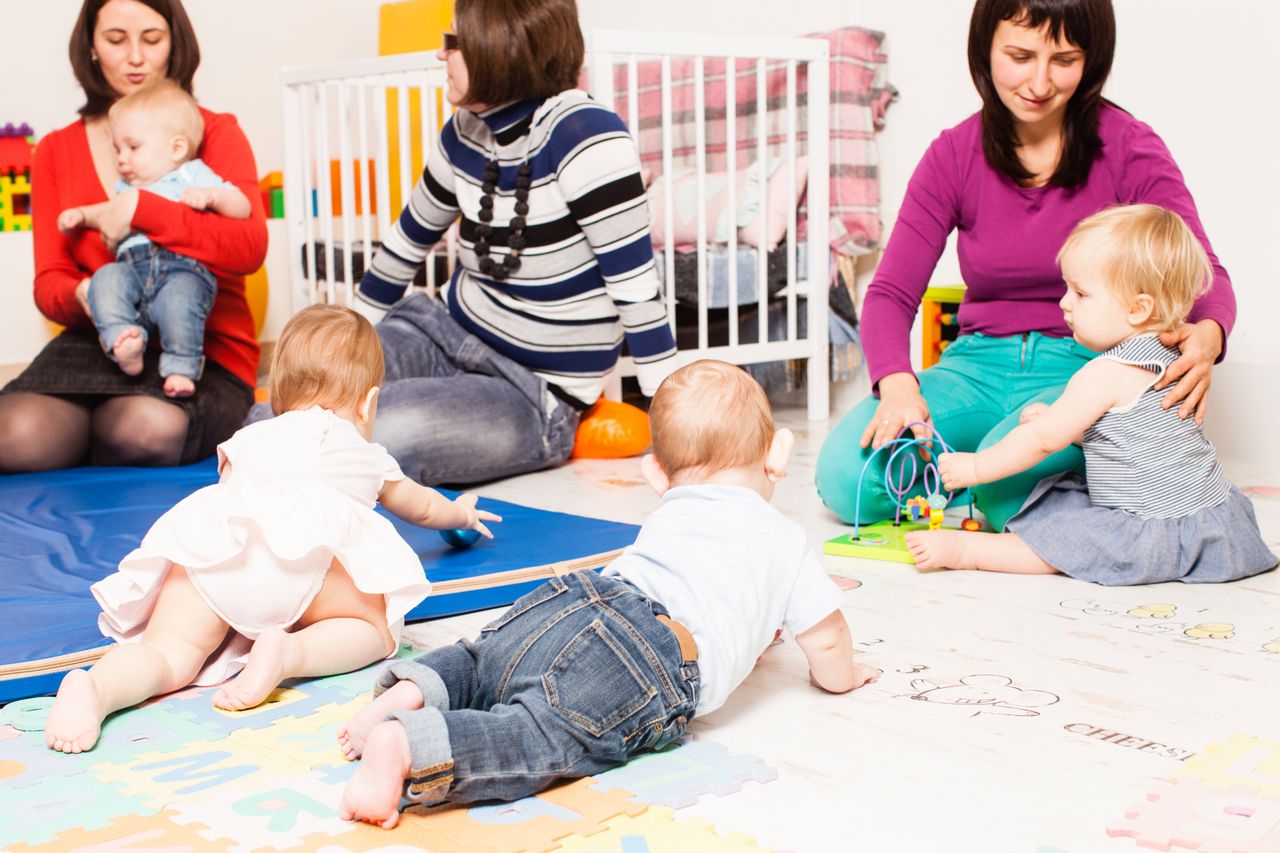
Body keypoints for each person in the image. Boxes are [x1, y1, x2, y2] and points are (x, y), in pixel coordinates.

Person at [334, 360, 879, 828]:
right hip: (645, 656)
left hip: (578, 593)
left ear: (657, 475)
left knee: (484, 662)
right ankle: (406, 747)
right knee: (535, 735)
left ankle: (406, 694)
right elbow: (827, 642)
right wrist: (846, 677)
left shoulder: (673, 510)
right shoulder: (784, 538)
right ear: (776, 458)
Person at [815, 0, 1236, 533]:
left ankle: (1041, 477)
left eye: (1064, 60)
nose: (1039, 82)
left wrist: (1210, 333)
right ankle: (1001, 475)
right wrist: (898, 386)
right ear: (986, 48)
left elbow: (1205, 273)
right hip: (972, 366)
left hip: (1086, 369)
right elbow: (891, 293)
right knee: (848, 476)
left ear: (1092, 59)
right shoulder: (952, 154)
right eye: (1020, 55)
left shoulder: (1130, 147)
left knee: (1002, 486)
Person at [43, 306, 500, 754]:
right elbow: (421, 507)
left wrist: (244, 601)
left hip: (215, 553)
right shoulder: (367, 454)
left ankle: (96, 689)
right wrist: (461, 514)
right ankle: (289, 654)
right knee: (375, 628)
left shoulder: (249, 437)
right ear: (368, 403)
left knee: (168, 653)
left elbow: (234, 503)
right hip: (303, 575)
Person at [350, 0, 677, 485]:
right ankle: (271, 455)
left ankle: (277, 459)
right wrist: (347, 344)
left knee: (378, 430)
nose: (441, 55)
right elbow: (406, 244)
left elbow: (635, 288)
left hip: (532, 391)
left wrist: (673, 421)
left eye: (454, 41)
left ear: (500, 48)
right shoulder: (462, 133)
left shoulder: (586, 136)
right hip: (441, 331)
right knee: (315, 389)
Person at [905, 205, 1276, 584]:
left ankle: (969, 552)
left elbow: (1043, 440)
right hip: (1208, 520)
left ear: (1138, 308)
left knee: (1063, 536)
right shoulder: (1173, 355)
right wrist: (1064, 426)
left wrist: (975, 468)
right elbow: (1137, 435)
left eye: (1081, 293)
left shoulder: (1104, 372)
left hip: (1149, 529)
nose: (1064, 303)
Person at [0, 0, 266, 471]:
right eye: (116, 40)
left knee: (140, 427)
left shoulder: (215, 132)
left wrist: (142, 208)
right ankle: (83, 428)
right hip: (102, 340)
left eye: (152, 39)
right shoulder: (57, 150)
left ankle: (87, 432)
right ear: (92, 48)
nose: (136, 57)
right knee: (13, 434)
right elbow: (50, 283)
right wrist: (86, 295)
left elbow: (248, 249)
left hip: (203, 348)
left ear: (175, 43)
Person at [58, 79, 251, 398]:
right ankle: (123, 340)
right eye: (117, 149)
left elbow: (242, 207)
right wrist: (81, 215)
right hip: (132, 270)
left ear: (176, 148)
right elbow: (107, 212)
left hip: (182, 270)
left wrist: (213, 196)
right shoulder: (126, 188)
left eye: (132, 148)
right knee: (104, 279)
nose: (121, 158)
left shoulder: (191, 174)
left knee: (180, 302)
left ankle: (181, 366)